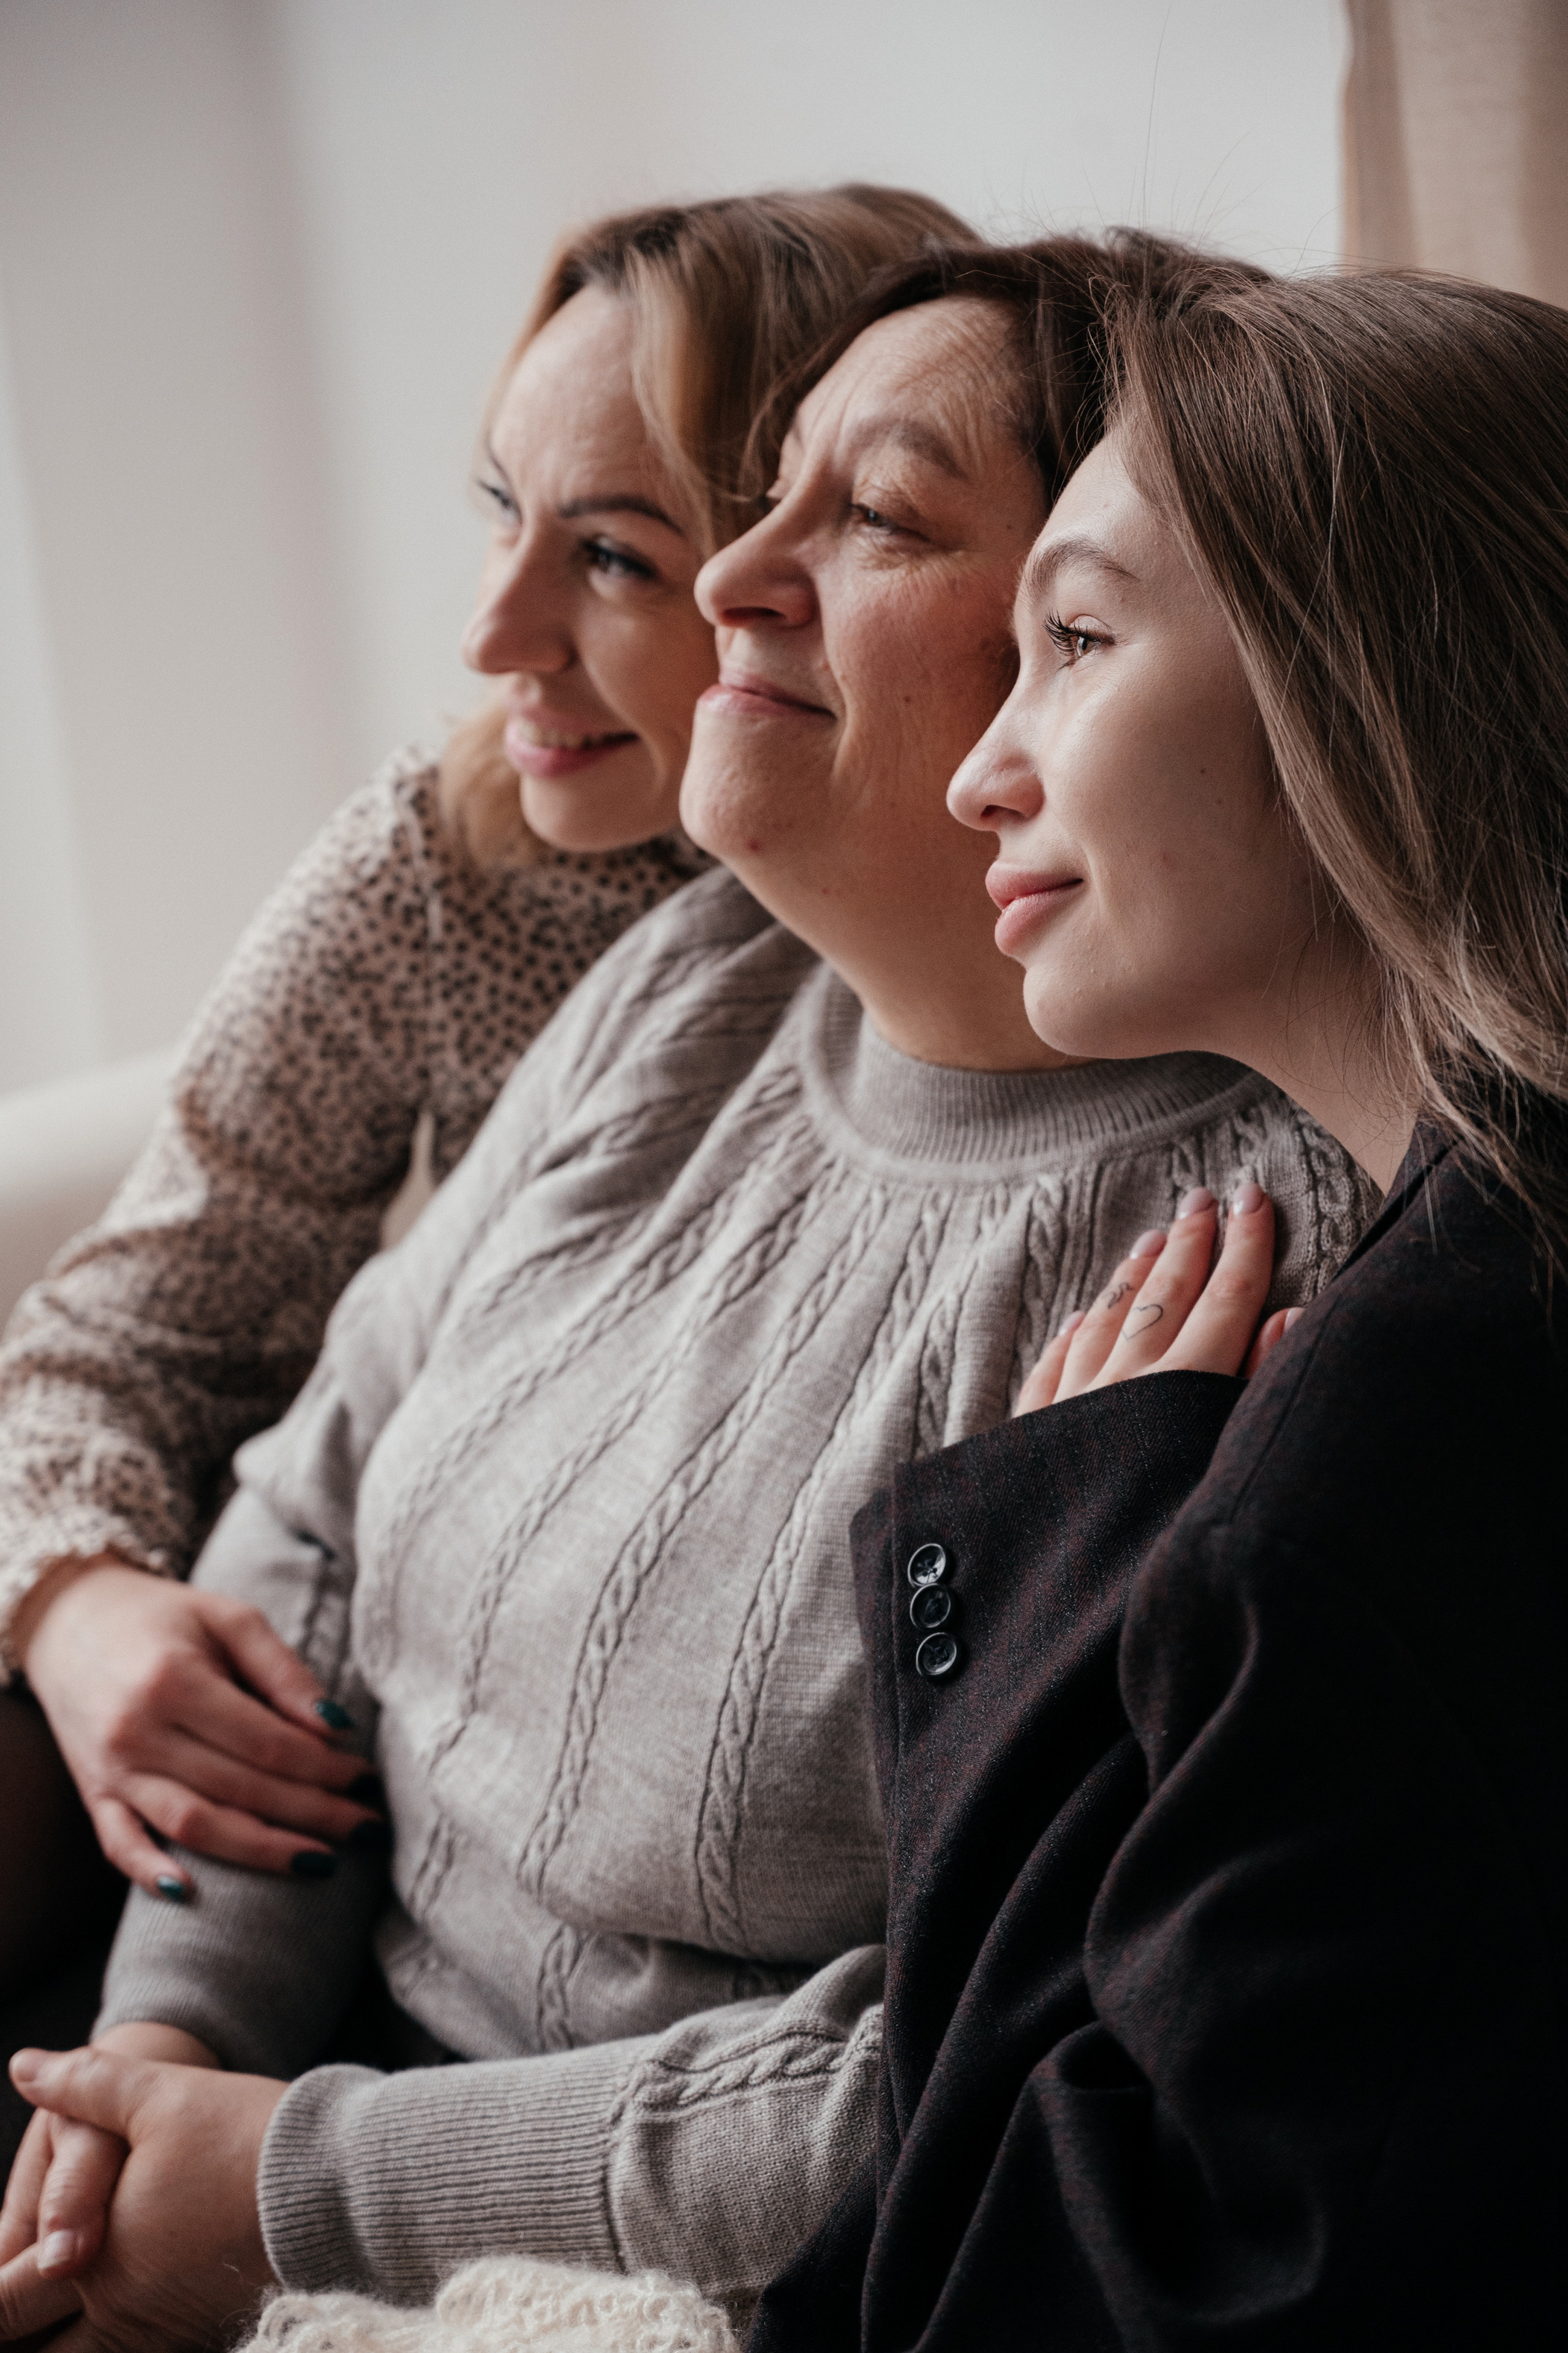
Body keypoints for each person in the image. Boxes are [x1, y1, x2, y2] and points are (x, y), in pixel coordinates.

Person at [0, 238, 1373, 2349]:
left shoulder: (1245, 1265)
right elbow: (309, 1510)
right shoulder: (686, 979)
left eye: (882, 515)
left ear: (1104, 641)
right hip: (232, 2063)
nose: (740, 574)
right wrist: (167, 2067)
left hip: (627, 2260)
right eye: (766, 492)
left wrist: (294, 2188)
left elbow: (998, 2051)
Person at [0, 183, 973, 1977]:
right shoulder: (449, 870)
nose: (491, 631)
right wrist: (78, 1602)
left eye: (610, 556)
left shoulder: (988, 977)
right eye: (500, 515)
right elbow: (120, 1334)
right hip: (311, 1695)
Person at [747, 265, 1568, 2348]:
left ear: (1363, 675)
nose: (977, 776)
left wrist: (1060, 1603)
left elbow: (994, 2290)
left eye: (1078, 641)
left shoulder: (1359, 1491)